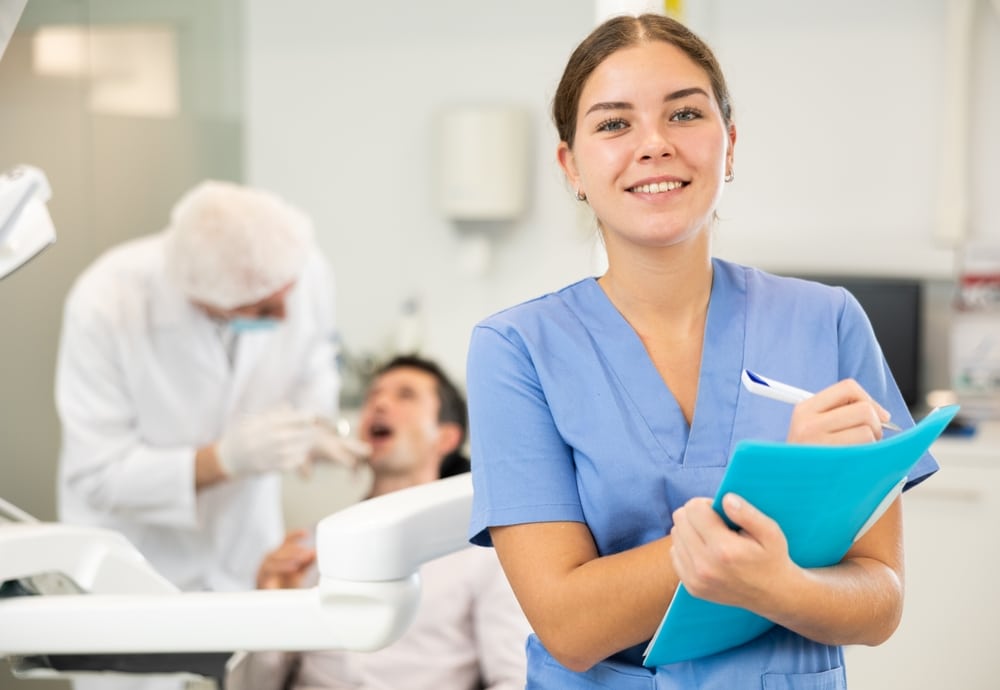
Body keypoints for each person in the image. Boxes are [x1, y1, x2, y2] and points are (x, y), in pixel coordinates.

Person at [465, 13, 939, 689]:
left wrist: (778, 585)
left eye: (685, 114)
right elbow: (568, 625)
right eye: (613, 123)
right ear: (571, 165)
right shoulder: (517, 350)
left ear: (731, 144)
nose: (654, 144)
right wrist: (774, 504)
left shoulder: (827, 321)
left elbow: (879, 602)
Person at [55, 179, 368, 598]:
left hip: (245, 547)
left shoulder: (302, 267)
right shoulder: (106, 303)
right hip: (137, 564)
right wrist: (221, 461)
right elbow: (97, 476)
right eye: (261, 307)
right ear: (203, 301)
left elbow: (315, 362)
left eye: (287, 295)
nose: (283, 316)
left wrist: (311, 428)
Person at [228, 355, 531, 690]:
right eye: (373, 395)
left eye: (405, 395)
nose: (380, 403)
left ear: (446, 438)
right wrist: (272, 607)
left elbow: (514, 679)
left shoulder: (482, 554)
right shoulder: (308, 545)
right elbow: (254, 687)